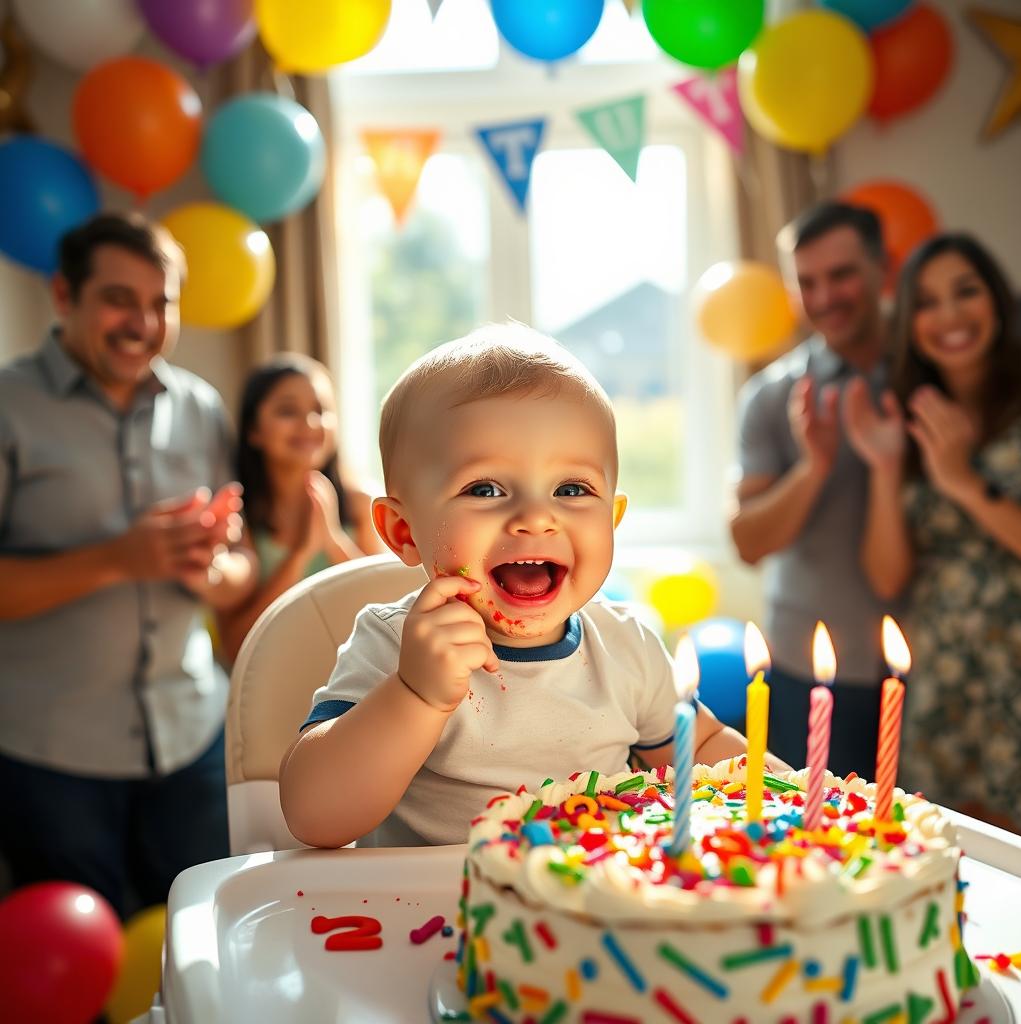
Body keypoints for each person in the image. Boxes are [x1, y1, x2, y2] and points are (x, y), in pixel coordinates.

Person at [280, 324, 779, 849]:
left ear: (612, 518)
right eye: (485, 488)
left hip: (592, 913)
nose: (537, 518)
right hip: (437, 920)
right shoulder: (395, 646)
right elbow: (315, 817)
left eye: (570, 488)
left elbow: (699, 750)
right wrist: (414, 695)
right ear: (403, 532)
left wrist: (806, 796)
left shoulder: (626, 646)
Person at [0, 211, 258, 917]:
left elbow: (238, 568)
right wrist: (119, 558)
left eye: (160, 303)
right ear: (63, 296)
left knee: (204, 953)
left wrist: (209, 567)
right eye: (120, 299)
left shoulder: (201, 407)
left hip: (193, 736)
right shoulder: (7, 405)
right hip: (50, 758)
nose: (142, 323)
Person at [843, 233, 1021, 833]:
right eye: (925, 301)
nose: (948, 315)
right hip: (945, 669)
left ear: (996, 301)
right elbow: (888, 576)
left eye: (965, 293)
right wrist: (887, 465)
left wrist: (966, 483)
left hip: (1017, 666)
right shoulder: (912, 416)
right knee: (949, 849)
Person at [729, 201, 894, 780]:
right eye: (808, 282)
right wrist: (814, 467)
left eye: (842, 274)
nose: (825, 296)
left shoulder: (938, 377)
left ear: (883, 269)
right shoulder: (770, 398)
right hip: (807, 672)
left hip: (932, 665)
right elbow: (747, 542)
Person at [215, 353, 381, 663]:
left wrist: (333, 542)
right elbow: (234, 647)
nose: (309, 423)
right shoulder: (238, 515)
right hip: (272, 689)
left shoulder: (362, 503)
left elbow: (394, 612)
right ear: (253, 430)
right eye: (288, 411)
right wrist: (300, 555)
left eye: (320, 410)